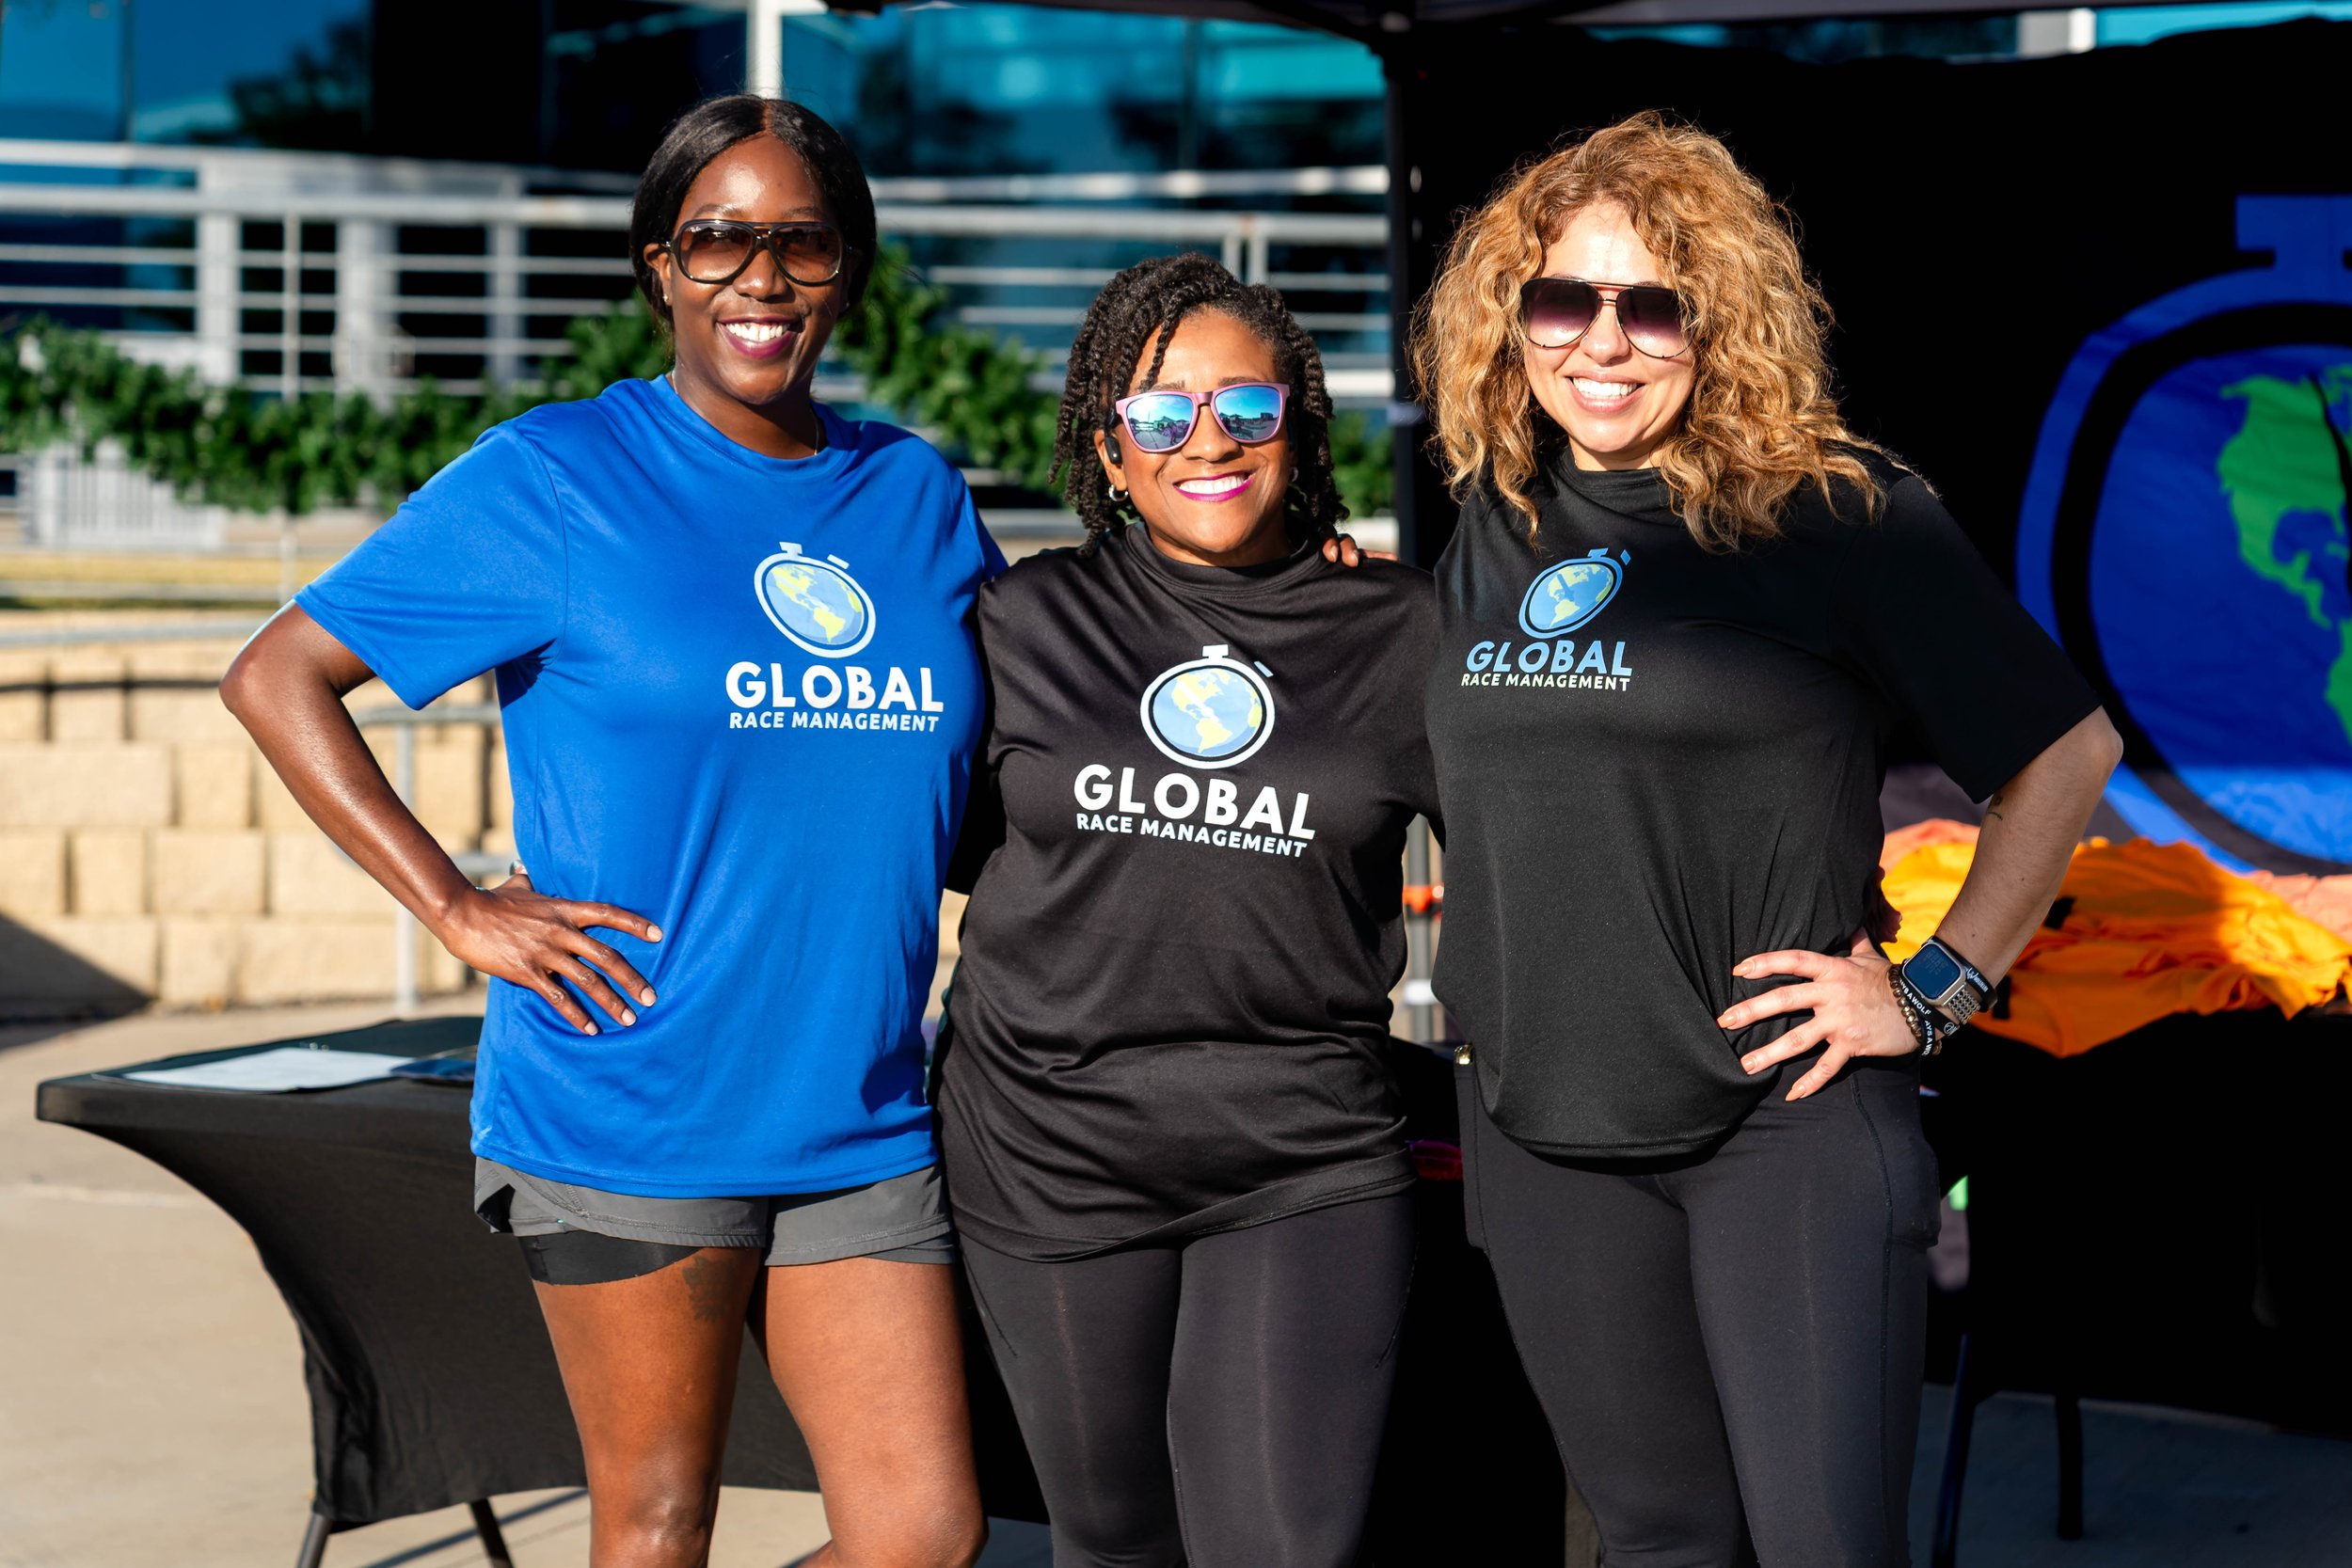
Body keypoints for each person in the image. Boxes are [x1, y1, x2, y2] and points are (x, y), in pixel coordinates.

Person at [221, 96, 995, 1568]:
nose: (759, 279)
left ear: (851, 268)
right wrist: (454, 906)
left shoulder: (915, 495)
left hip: (864, 1110)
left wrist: (1286, 572)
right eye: (717, 241)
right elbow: (277, 675)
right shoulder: (558, 478)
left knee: (922, 1535)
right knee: (653, 1529)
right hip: (636, 1099)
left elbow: (1020, 740)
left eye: (802, 243)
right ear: (660, 267)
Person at [1411, 113, 2123, 1566]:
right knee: (1658, 1543)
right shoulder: (1494, 515)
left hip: (1779, 1130)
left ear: (1715, 318)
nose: (1600, 344)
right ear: (1511, 315)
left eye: (1650, 304)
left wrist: (1936, 992)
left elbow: (2069, 753)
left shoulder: (1839, 512)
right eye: (1563, 300)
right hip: (1543, 1130)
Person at [932, 253, 1439, 1568]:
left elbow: (1554, 843)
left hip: (1303, 1155)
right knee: (1109, 1542)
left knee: (1282, 1549)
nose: (1202, 441)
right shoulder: (1017, 622)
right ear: (1108, 452)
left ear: (1298, 426)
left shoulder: (1404, 631)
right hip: (1046, 1147)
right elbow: (877, 824)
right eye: (1156, 416)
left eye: (1244, 410)